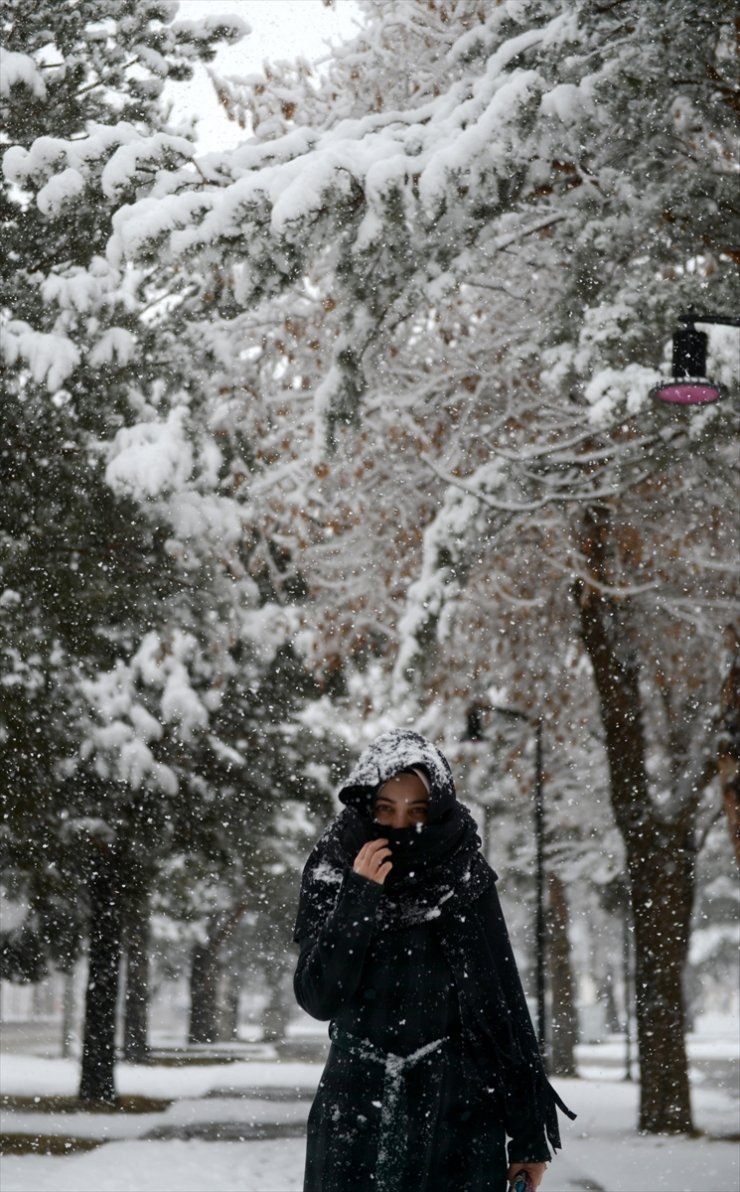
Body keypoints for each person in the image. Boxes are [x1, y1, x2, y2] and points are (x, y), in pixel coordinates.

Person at [293, 729, 575, 1192]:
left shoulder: (462, 875)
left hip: (457, 1115)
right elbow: (319, 995)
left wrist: (527, 1138)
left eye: (417, 811)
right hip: (354, 1114)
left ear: (438, 810)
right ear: (366, 805)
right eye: (386, 809)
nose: (400, 825)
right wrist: (359, 896)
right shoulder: (335, 866)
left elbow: (500, 1006)